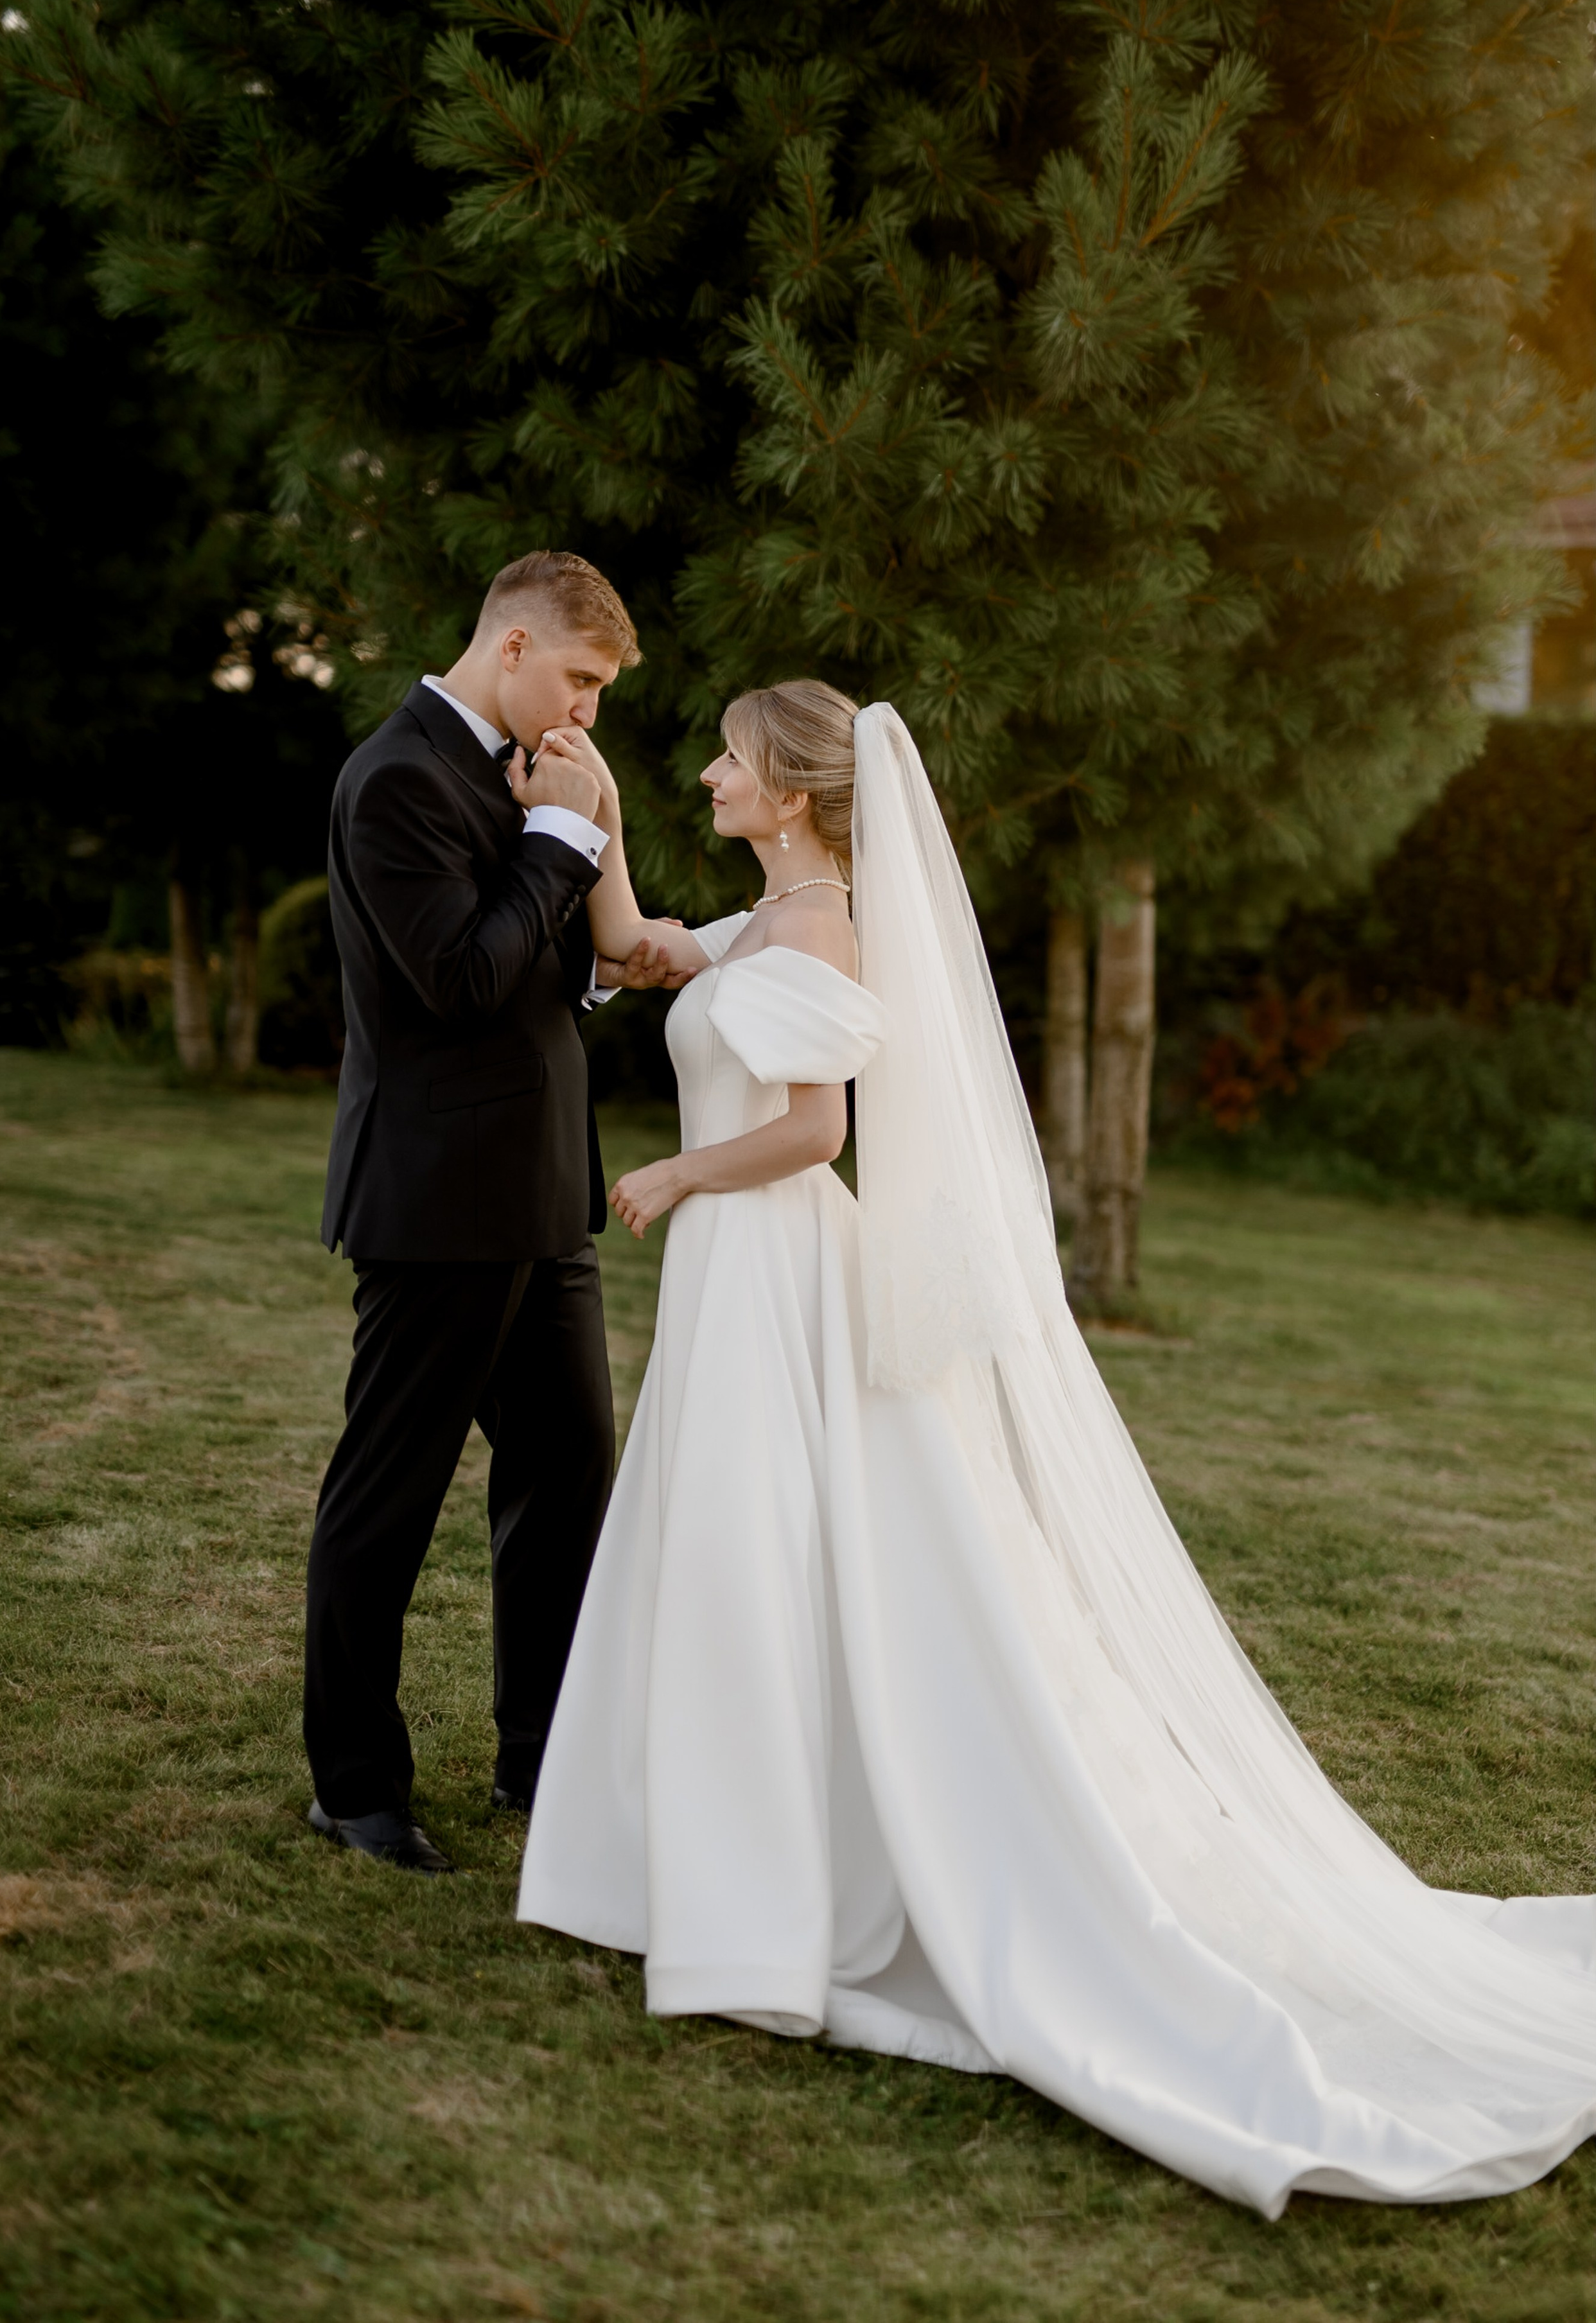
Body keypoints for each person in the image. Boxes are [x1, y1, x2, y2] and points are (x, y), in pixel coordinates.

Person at [518, 679, 1596, 2216]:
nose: (706, 775)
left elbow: (817, 1130)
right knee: (742, 1551)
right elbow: (633, 944)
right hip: (734, 1278)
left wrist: (678, 1175)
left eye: (728, 762)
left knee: (769, 1551)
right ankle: (715, 1863)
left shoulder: (817, 933)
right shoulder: (766, 922)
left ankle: (773, 1898)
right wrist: (605, 813)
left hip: (770, 1262)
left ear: (794, 795)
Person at [304, 550, 684, 1873]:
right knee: (388, 1494)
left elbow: (558, 967)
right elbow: (461, 981)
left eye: (602, 689)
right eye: (579, 678)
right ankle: (354, 1784)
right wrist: (559, 840)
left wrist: (587, 858)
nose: (588, 709)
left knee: (568, 1476)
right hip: (437, 1197)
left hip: (543, 1193)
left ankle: (544, 1763)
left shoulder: (534, 775)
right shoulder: (396, 779)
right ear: (511, 645)